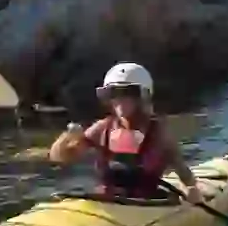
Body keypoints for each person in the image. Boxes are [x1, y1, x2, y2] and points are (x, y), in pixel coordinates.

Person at [48, 62, 203, 203]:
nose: (120, 100)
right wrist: (66, 137)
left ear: (142, 97)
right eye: (113, 93)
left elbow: (181, 168)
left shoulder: (159, 134)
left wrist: (192, 189)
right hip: (107, 202)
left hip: (144, 206)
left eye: (128, 93)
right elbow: (61, 158)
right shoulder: (102, 128)